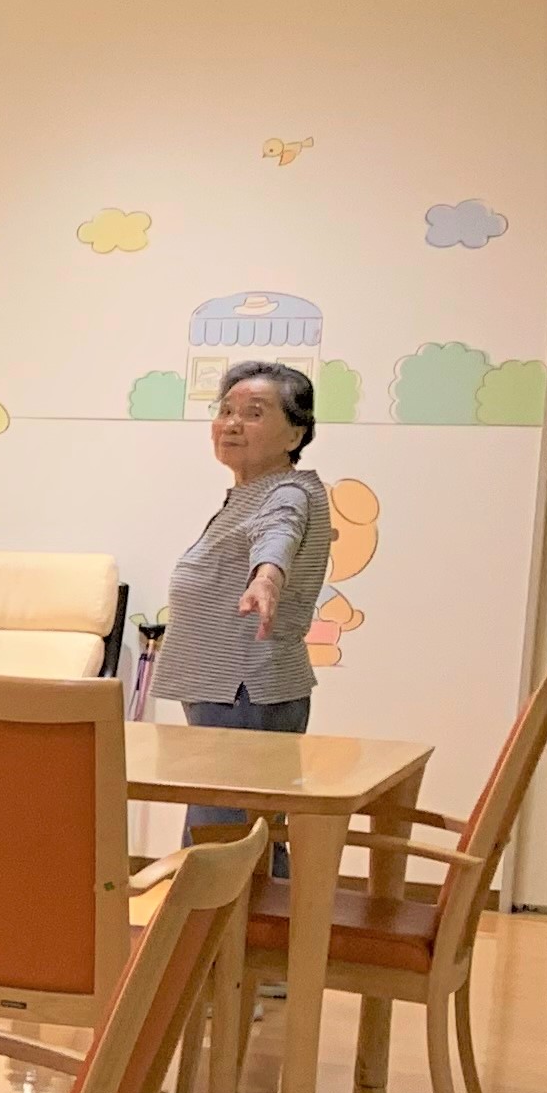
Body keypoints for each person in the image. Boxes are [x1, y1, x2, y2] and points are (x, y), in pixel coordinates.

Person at [155, 358, 336, 846]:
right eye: (226, 410)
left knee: (225, 837)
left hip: (246, 688)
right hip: (229, 687)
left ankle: (216, 904)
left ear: (295, 434)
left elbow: (279, 532)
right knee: (247, 832)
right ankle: (258, 900)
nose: (232, 423)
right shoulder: (252, 493)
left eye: (254, 413)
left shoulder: (287, 493)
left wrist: (267, 578)